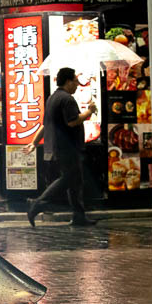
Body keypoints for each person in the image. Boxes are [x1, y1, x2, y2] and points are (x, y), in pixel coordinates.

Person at [26, 66, 97, 227]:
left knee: (76, 181)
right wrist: (89, 111)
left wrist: (34, 142)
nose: (77, 85)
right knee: (68, 178)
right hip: (67, 147)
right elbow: (72, 121)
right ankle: (36, 205)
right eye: (75, 81)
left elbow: (46, 124)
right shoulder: (67, 99)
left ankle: (79, 216)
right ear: (68, 81)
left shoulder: (53, 98)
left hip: (57, 147)